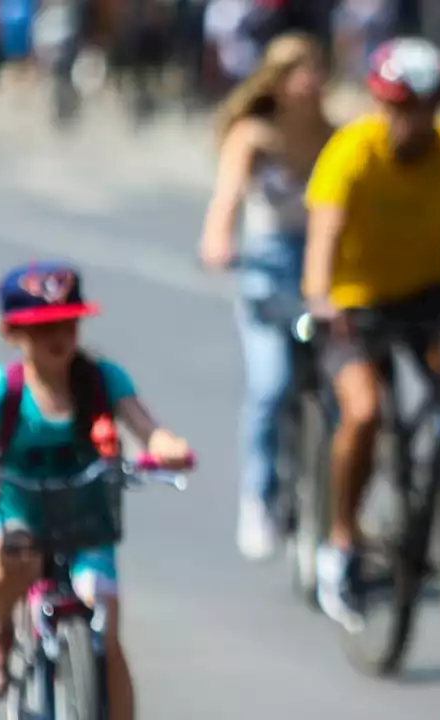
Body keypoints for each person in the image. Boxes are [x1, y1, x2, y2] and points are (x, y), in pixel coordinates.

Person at [302, 35, 440, 629]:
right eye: (399, 108)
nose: (411, 122)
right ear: (380, 103)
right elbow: (320, 251)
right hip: (354, 305)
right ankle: (339, 545)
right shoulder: (351, 153)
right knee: (365, 412)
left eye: (423, 109)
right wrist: (321, 301)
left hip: (425, 298)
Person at [0, 262, 193, 719]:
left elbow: (144, 426)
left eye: (66, 323)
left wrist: (167, 446)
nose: (58, 336)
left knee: (105, 624)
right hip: (19, 520)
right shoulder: (4, 388)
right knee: (13, 556)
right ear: (12, 332)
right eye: (41, 328)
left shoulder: (101, 380)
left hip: (87, 527)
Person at [198, 32, 333, 562]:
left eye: (316, 69)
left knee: (344, 393)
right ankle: (258, 498)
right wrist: (217, 242)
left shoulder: (335, 136)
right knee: (272, 385)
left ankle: (337, 512)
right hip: (267, 271)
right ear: (277, 83)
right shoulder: (254, 136)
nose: (311, 81)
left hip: (322, 272)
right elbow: (227, 198)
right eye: (299, 71)